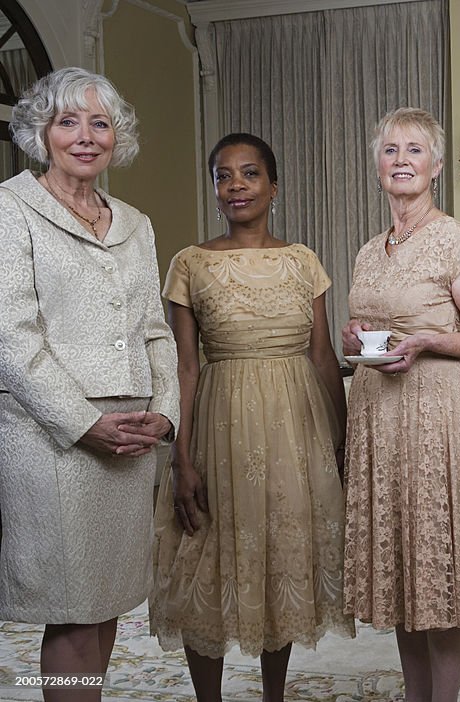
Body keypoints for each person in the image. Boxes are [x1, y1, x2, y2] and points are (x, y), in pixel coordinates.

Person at [149, 133, 353, 701]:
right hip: (220, 423)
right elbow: (184, 367)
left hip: (298, 425)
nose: (236, 185)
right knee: (203, 559)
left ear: (273, 186)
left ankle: (274, 697)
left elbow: (321, 356)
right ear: (215, 191)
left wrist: (342, 443)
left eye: (250, 173)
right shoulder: (189, 263)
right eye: (223, 176)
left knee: (280, 559)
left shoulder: (303, 261)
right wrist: (181, 457)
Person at [0, 67, 178, 699]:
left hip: (131, 437)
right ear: (40, 132)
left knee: (107, 603)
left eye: (99, 123)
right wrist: (84, 423)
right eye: (67, 121)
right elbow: (12, 338)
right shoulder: (9, 207)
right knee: (74, 607)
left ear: (116, 137)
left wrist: (165, 413)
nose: (84, 136)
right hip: (56, 442)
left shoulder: (135, 221)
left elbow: (155, 329)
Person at [342, 107, 460, 702]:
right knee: (402, 568)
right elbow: (376, 324)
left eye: (415, 150)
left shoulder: (453, 240)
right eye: (390, 151)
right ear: (378, 167)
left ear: (436, 166)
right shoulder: (368, 250)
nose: (401, 161)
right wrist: (355, 335)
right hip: (377, 414)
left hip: (434, 413)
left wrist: (431, 340)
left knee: (440, 564)